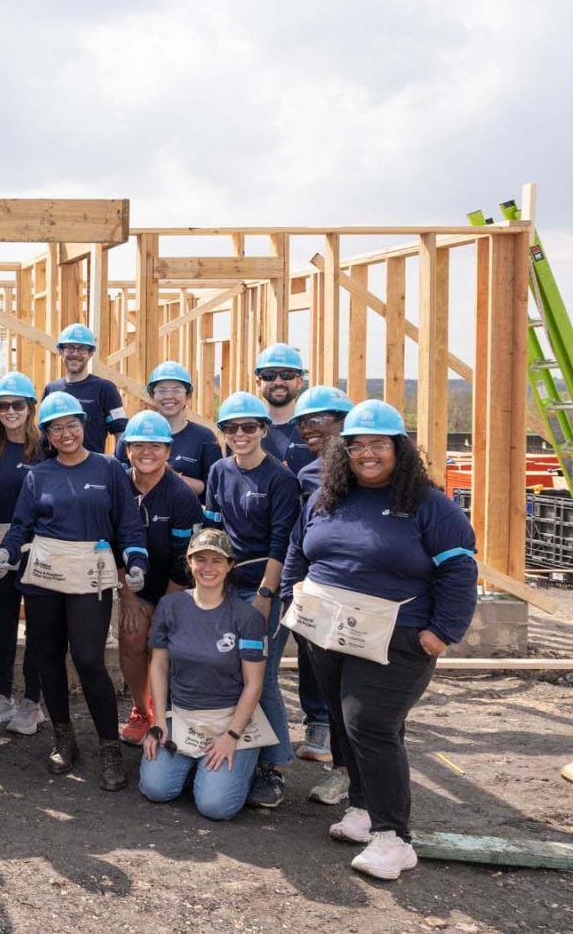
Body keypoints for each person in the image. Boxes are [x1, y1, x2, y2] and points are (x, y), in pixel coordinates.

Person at [283, 400, 478, 880]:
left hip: (399, 638)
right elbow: (297, 547)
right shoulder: (327, 497)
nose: (366, 453)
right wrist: (293, 598)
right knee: (345, 723)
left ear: (399, 449)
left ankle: (394, 838)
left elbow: (459, 570)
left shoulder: (430, 506)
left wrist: (440, 634)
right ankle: (362, 809)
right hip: (326, 631)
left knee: (370, 722)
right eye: (356, 445)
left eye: (378, 444)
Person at [0, 391, 148, 790]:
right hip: (44, 575)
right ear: (47, 434)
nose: (65, 433)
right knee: (46, 657)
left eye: (72, 425)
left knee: (90, 658)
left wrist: (136, 561)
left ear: (84, 426)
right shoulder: (38, 475)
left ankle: (109, 745)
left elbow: (127, 524)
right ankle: (64, 737)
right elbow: (22, 524)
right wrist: (6, 552)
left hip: (89, 576)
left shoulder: (109, 469)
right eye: (56, 428)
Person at [204, 391, 301, 809]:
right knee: (232, 673)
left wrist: (265, 594)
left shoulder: (280, 479)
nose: (240, 434)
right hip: (228, 582)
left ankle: (275, 768)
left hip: (262, 588)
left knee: (262, 679)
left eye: (248, 427)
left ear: (264, 429)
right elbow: (211, 528)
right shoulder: (220, 471)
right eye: (231, 428)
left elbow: (283, 543)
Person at [137, 528, 268, 821]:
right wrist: (159, 722)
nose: (208, 568)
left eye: (216, 560)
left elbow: (254, 683)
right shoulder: (171, 606)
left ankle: (239, 767)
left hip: (229, 719)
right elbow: (158, 665)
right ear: (189, 562)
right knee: (155, 788)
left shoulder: (247, 618)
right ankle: (196, 767)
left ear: (230, 565)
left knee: (215, 806)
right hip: (184, 715)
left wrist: (232, 735)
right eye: (200, 559)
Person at [115, 410, 204, 746]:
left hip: (173, 588)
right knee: (131, 638)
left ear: (168, 451)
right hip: (131, 585)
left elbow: (185, 560)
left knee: (160, 645)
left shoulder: (181, 495)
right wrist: (129, 599)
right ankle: (141, 709)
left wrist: (163, 609)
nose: (146, 452)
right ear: (127, 450)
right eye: (138, 445)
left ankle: (164, 711)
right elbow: (109, 544)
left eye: (156, 446)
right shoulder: (118, 485)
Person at [286, 385, 355, 785]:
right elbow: (300, 539)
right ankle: (344, 771)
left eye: (317, 420)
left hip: (363, 599)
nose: (307, 429)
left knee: (363, 698)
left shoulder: (376, 469)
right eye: (301, 423)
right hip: (319, 596)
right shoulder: (308, 475)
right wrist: (293, 592)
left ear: (343, 421)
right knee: (333, 689)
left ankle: (362, 780)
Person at [0, 372, 45, 735]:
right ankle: (1, 693)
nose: (11, 411)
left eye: (18, 405)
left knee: (38, 626)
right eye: (3, 406)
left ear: (31, 408)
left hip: (39, 548)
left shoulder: (46, 449)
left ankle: (33, 700)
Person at [113, 361, 221, 497]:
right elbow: (116, 480)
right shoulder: (133, 433)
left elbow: (213, 489)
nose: (169, 396)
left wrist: (165, 474)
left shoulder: (204, 438)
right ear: (152, 396)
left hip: (185, 514)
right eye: (162, 390)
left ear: (188, 397)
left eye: (176, 390)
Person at [41, 323, 127, 454]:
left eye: (82, 349)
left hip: (93, 471)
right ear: (60, 351)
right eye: (70, 348)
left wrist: (116, 465)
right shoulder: (51, 390)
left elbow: (121, 432)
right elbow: (44, 435)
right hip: (56, 470)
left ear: (91, 353)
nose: (75, 354)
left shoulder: (105, 389)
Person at [255, 343, 314, 473]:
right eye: (269, 375)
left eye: (287, 375)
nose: (278, 382)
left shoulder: (314, 430)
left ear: (299, 382)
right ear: (259, 383)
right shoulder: (244, 431)